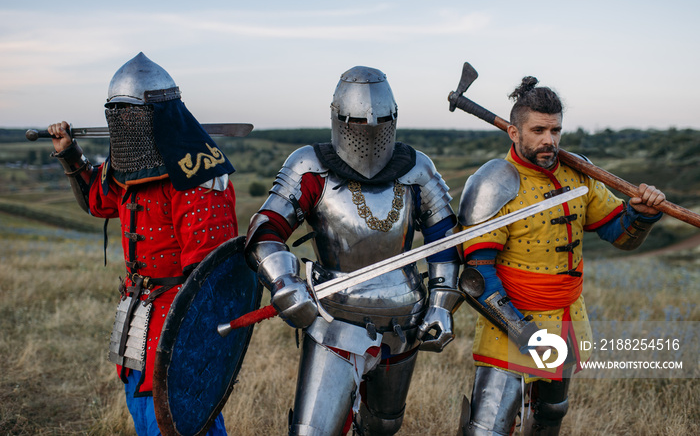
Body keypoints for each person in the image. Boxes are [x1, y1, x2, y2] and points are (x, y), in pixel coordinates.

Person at [244, 66, 464, 435]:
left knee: (383, 426)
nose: (370, 132)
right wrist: (283, 281)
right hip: (333, 317)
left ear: (394, 119)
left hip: (404, 319)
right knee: (313, 430)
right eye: (359, 122)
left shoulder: (417, 169)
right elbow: (266, 231)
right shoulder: (309, 167)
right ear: (339, 119)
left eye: (380, 122)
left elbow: (444, 243)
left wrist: (441, 307)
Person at [456, 76, 666, 436]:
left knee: (550, 415)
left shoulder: (576, 173)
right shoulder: (494, 183)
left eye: (556, 131)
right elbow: (476, 279)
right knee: (488, 428)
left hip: (567, 318)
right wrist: (525, 333)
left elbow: (620, 235)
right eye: (538, 130)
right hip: (510, 324)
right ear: (514, 132)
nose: (549, 141)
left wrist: (641, 214)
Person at [46, 52, 237, 435]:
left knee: (182, 421)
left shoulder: (196, 176)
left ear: (156, 113)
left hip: (178, 325)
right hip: (137, 314)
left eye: (129, 113)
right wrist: (69, 152)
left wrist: (195, 345)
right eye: (116, 113)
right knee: (145, 417)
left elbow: (209, 279)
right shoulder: (130, 164)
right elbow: (97, 201)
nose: (122, 123)